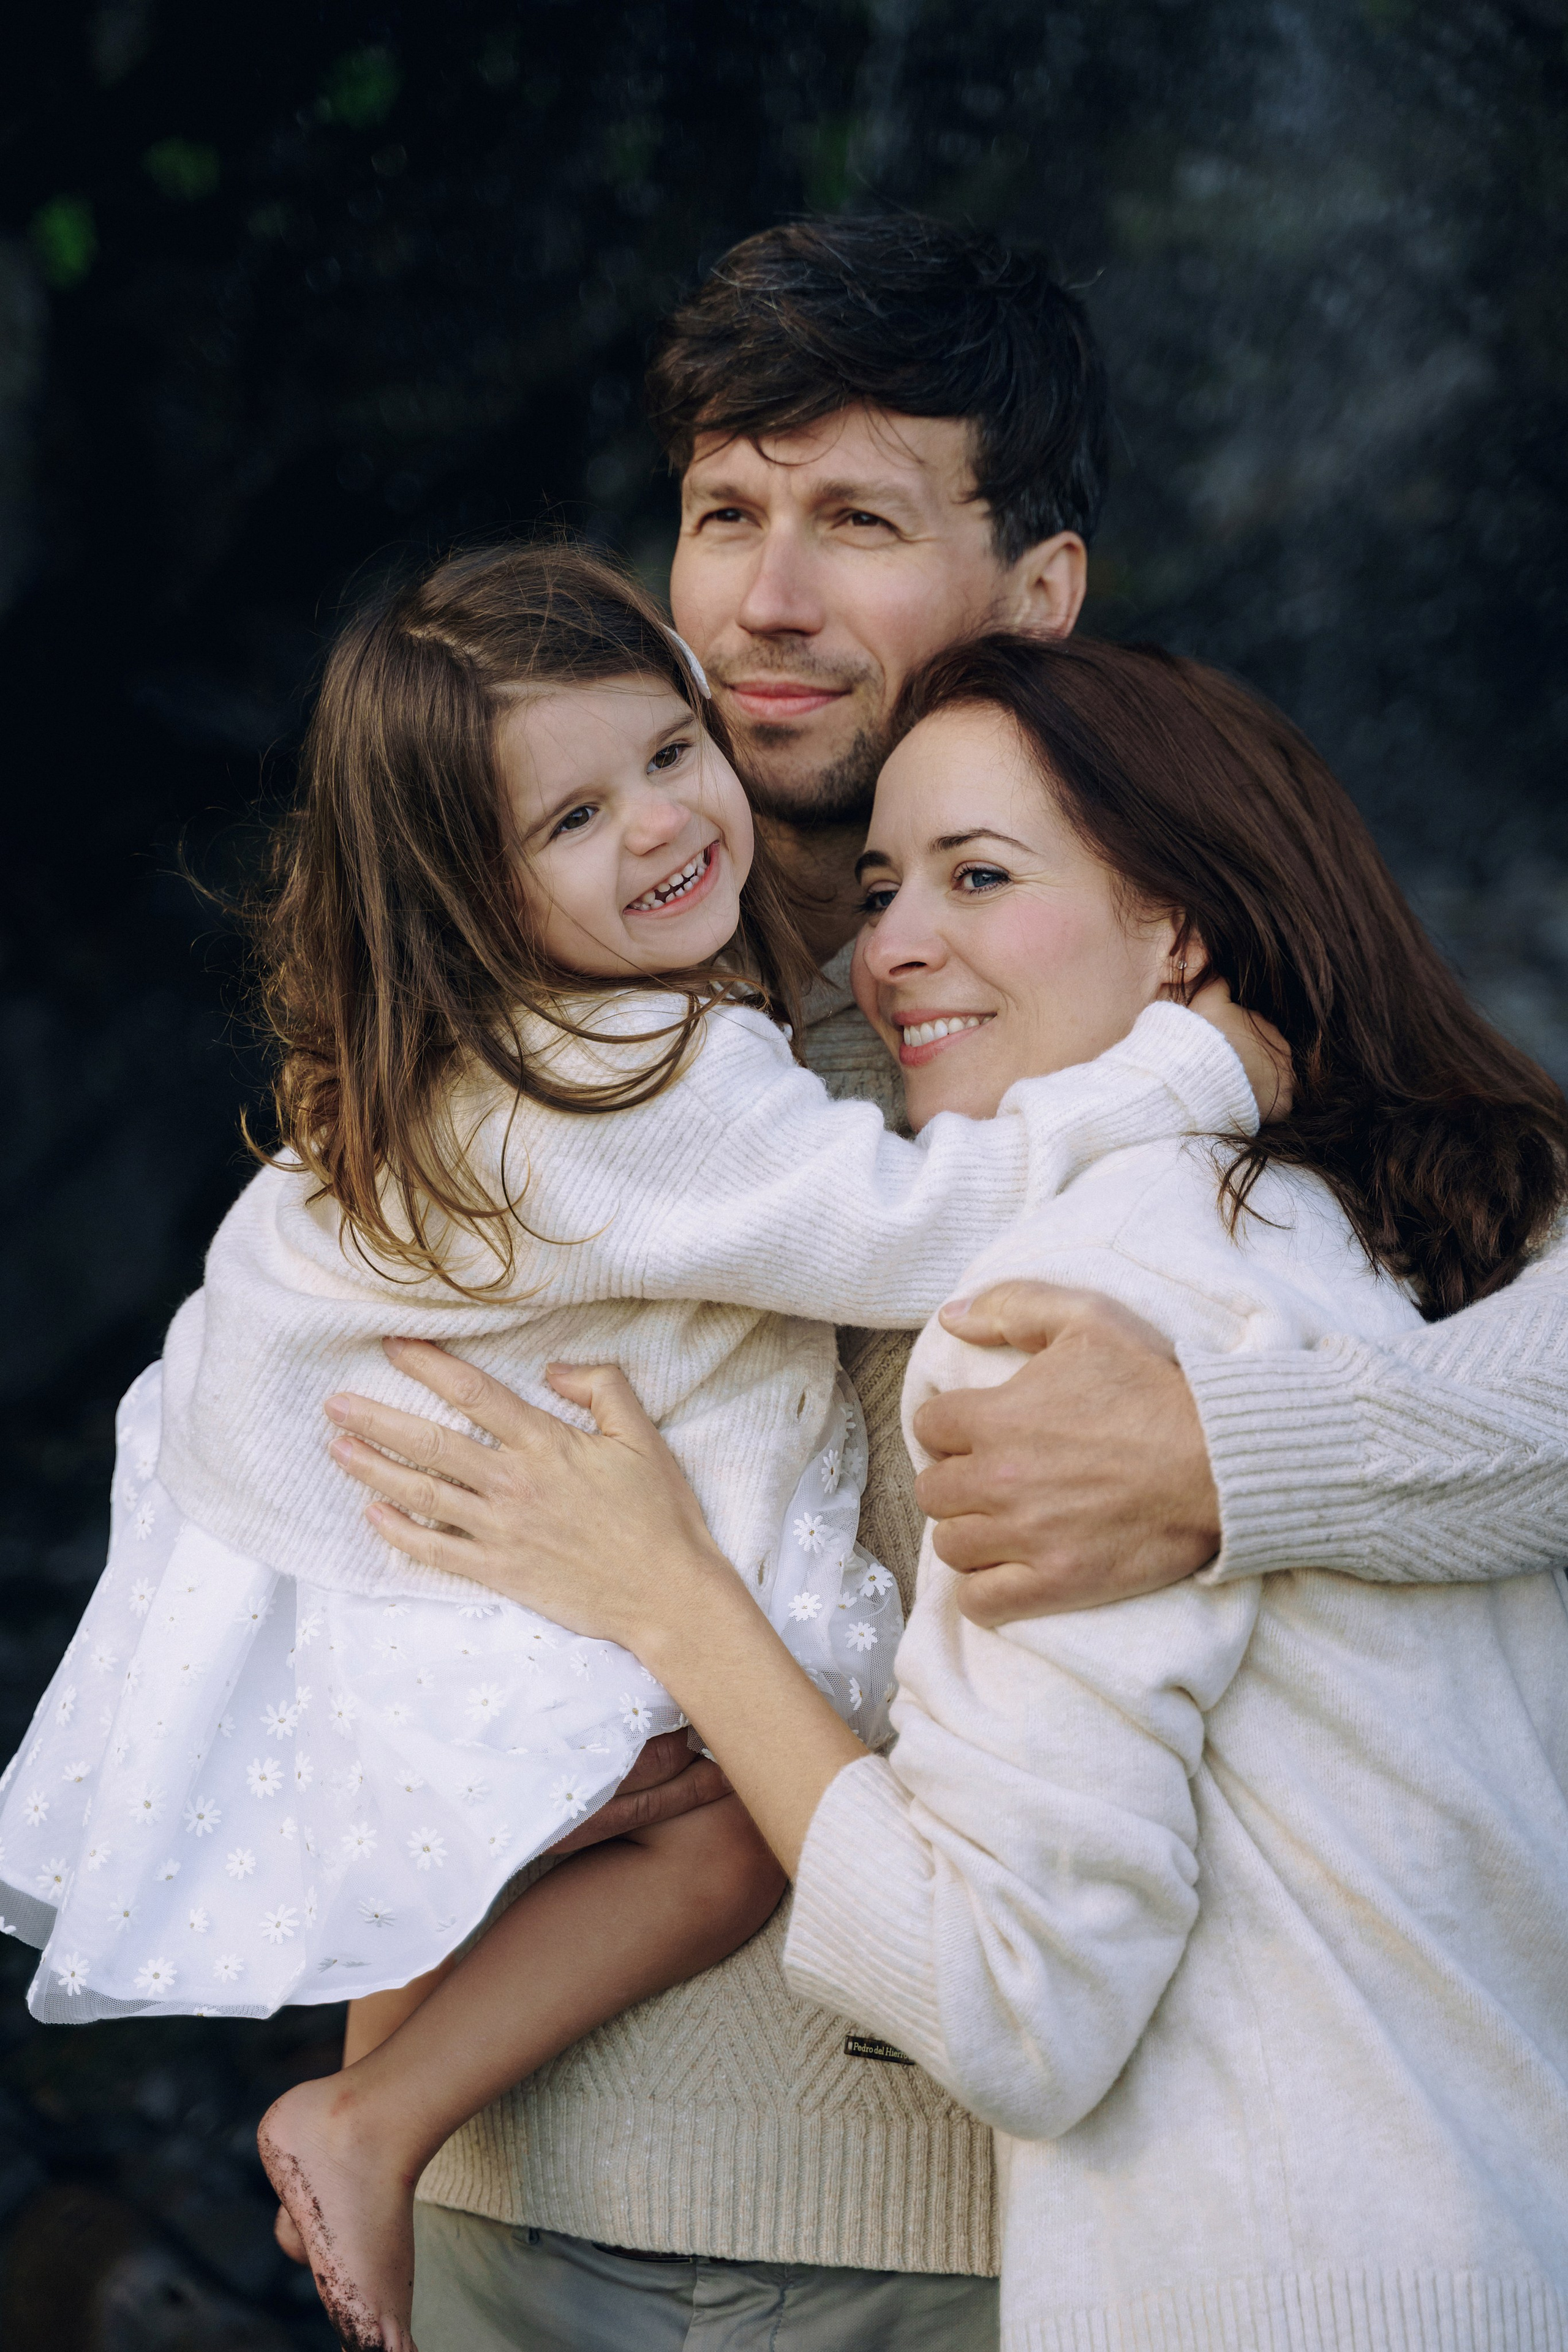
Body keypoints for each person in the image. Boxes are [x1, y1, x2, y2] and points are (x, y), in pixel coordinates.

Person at [0, 541, 1275, 2352]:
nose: (668, 824)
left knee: (487, 1852)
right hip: (403, 1538)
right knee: (731, 1841)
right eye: (575, 818)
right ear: (469, 890)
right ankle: (366, 2119)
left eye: (673, 755)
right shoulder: (632, 1083)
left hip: (307, 1523)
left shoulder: (480, 1052)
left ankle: (373, 2116)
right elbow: (916, 1226)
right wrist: (1191, 1072)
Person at [326, 631, 1568, 2352]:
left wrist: (669, 1593)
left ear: (1186, 931)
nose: (895, 948)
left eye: (981, 877)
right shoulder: (1453, 1264)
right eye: (887, 884)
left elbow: (1005, 2004)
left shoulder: (1055, 1311)